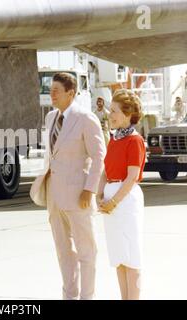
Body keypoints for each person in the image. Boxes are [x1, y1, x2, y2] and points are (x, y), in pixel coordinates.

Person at [43, 72, 106, 300]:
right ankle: (69, 296)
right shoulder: (51, 118)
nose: (52, 94)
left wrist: (90, 189)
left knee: (86, 251)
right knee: (63, 252)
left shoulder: (86, 118)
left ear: (71, 93)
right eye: (51, 90)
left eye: (56, 91)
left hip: (79, 195)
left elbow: (99, 157)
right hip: (55, 197)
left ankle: (87, 297)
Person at [97, 89, 146, 300]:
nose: (110, 115)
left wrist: (113, 202)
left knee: (131, 255)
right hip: (111, 199)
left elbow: (132, 177)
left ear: (127, 114)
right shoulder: (114, 139)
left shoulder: (134, 141)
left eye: (115, 111)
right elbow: (105, 171)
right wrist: (99, 195)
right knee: (118, 256)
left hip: (125, 200)